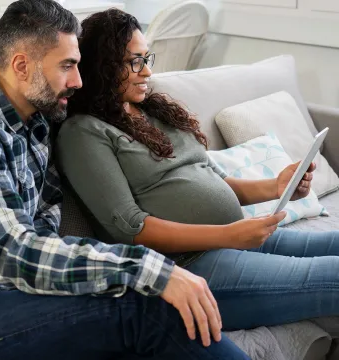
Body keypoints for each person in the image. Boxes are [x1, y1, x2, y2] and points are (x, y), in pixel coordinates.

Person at [0, 1, 251, 359]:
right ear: (21, 65)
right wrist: (148, 267)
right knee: (148, 309)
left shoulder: (37, 121)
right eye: (67, 66)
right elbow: (12, 252)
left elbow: (104, 118)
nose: (78, 80)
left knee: (137, 315)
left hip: (14, 296)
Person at [56, 8, 339, 336]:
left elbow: (214, 181)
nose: (147, 71)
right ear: (102, 65)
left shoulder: (154, 111)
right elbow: (130, 228)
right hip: (189, 268)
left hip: (234, 239)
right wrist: (229, 235)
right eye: (134, 61)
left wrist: (276, 187)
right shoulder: (84, 132)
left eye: (147, 58)